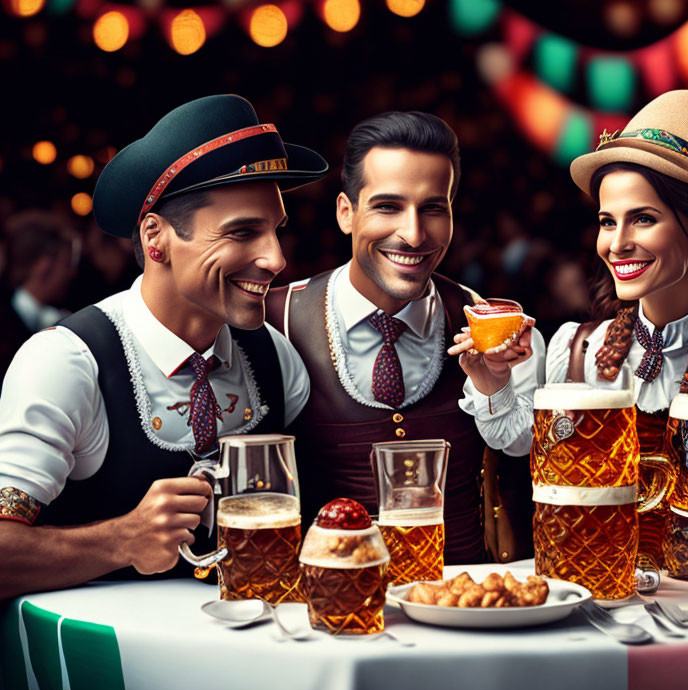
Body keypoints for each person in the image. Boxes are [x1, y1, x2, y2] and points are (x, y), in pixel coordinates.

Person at [452, 90, 688, 568]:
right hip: (596, 607)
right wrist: (494, 384)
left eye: (644, 219)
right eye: (607, 221)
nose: (617, 244)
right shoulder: (575, 351)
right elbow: (516, 439)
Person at [0, 94, 328, 600]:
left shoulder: (276, 357)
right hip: (109, 671)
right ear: (156, 238)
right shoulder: (67, 362)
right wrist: (119, 539)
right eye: (242, 232)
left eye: (275, 231)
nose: (275, 258)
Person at [266, 111, 544, 564]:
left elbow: (520, 446)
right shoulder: (272, 321)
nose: (413, 234)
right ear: (345, 212)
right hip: (329, 609)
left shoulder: (494, 325)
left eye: (433, 208)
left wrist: (496, 385)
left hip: (462, 603)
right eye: (388, 206)